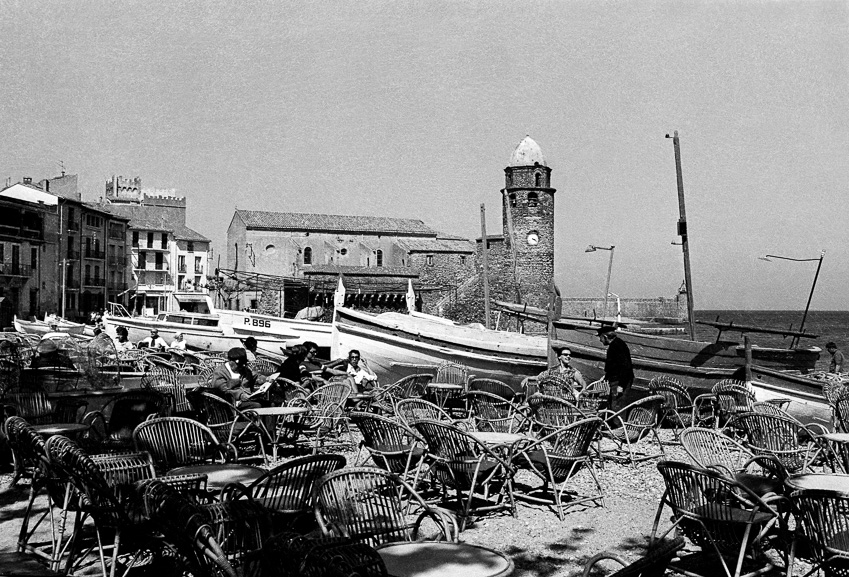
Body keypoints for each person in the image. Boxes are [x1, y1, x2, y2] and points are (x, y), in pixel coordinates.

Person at [209, 347, 275, 409]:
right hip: (231, 404)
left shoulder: (245, 370)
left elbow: (255, 377)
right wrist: (240, 395)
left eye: (243, 364)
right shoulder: (220, 372)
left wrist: (265, 379)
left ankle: (271, 421)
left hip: (248, 399)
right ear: (230, 361)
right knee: (257, 406)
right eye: (239, 365)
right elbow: (223, 390)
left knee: (271, 404)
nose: (242, 367)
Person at [598, 325, 634, 410]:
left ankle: (618, 423)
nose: (600, 340)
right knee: (612, 406)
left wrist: (621, 386)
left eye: (600, 337)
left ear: (605, 336)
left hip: (619, 382)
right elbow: (614, 365)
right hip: (616, 380)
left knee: (617, 408)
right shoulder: (616, 344)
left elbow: (626, 366)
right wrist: (606, 376)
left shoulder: (617, 345)